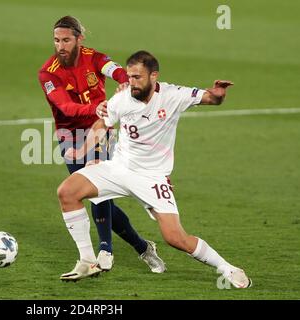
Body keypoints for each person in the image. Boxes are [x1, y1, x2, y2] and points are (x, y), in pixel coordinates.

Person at [57, 50, 252, 288]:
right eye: (129, 77)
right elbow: (102, 123)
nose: (132, 83)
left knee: (175, 238)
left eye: (138, 77)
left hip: (152, 177)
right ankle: (87, 260)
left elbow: (211, 98)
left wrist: (219, 94)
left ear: (154, 76)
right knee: (67, 191)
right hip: (119, 168)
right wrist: (82, 151)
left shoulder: (173, 95)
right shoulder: (122, 98)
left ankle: (227, 268)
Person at [38, 16, 165, 274]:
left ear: (78, 39)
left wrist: (125, 82)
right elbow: (65, 107)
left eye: (66, 40)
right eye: (56, 40)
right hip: (69, 136)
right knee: (87, 191)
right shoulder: (47, 73)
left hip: (99, 129)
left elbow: (116, 71)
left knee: (98, 188)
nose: (60, 46)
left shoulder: (95, 58)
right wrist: (93, 107)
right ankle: (143, 247)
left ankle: (105, 249)